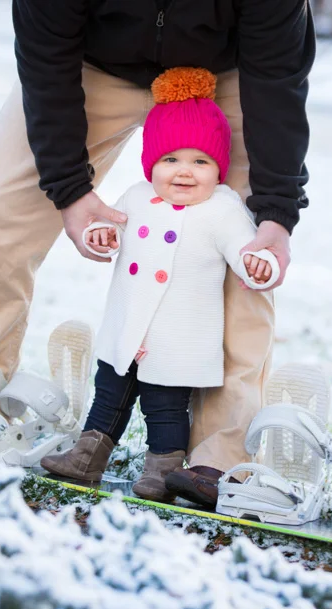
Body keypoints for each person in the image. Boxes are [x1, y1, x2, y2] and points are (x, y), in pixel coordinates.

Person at [0, 0, 315, 509]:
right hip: (90, 66)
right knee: (1, 209)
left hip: (223, 74)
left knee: (245, 244)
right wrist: (70, 191)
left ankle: (219, 457)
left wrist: (276, 214)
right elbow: (45, 58)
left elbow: (277, 76)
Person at [39, 68, 279, 502]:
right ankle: (86, 458)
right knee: (108, 395)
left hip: (176, 336)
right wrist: (101, 234)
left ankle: (162, 470)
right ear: (152, 163)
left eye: (200, 161)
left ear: (218, 168)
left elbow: (247, 255)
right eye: (170, 160)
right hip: (128, 326)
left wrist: (260, 264)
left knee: (165, 408)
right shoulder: (135, 196)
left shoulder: (222, 209)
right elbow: (112, 229)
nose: (184, 172)